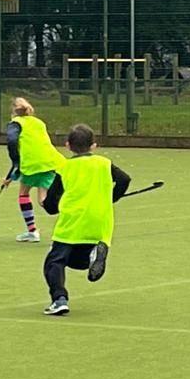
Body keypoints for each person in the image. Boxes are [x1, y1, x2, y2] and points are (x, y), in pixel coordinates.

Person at [39, 124, 130, 316]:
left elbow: (51, 205)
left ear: (68, 145)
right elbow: (124, 180)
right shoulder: (104, 163)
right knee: (78, 260)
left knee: (54, 262)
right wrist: (110, 198)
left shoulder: (65, 168)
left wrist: (45, 203)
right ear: (93, 145)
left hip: (72, 223)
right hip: (99, 223)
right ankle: (95, 255)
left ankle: (59, 298)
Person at [2, 97, 63, 243]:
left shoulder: (15, 124)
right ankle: (73, 219)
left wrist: (13, 168)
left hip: (31, 164)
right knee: (43, 200)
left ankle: (32, 231)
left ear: (13, 111)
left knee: (24, 194)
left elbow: (12, 142)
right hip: (50, 162)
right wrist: (11, 175)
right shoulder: (39, 123)